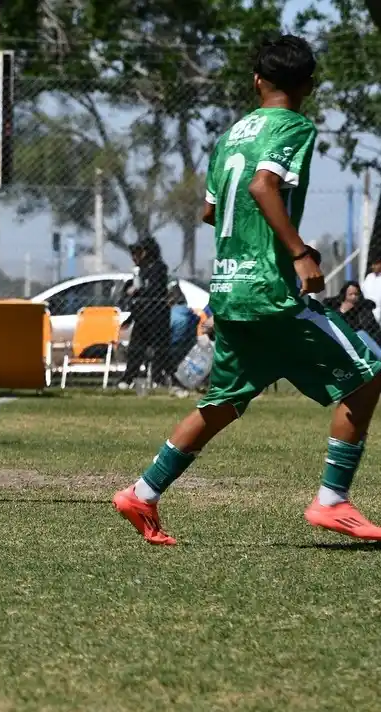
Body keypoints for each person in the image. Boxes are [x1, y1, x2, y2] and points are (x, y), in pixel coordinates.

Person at [113, 34, 381, 546]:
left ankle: (141, 494)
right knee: (369, 374)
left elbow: (211, 212)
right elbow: (262, 185)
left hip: (230, 290)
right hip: (269, 292)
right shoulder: (295, 125)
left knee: (223, 402)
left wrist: (256, 243)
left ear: (257, 81)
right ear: (309, 85)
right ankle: (332, 500)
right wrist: (297, 252)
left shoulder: (231, 135)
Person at [116, 237, 171, 390]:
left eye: (138, 253)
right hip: (141, 317)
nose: (134, 257)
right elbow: (132, 293)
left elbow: (154, 291)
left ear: (146, 252)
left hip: (157, 317)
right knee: (135, 349)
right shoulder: (140, 271)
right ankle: (128, 379)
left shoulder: (159, 269)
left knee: (159, 350)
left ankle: (157, 378)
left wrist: (139, 289)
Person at [324, 281, 381, 348]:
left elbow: (373, 330)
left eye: (356, 294)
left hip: (357, 339)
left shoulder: (363, 310)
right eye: (350, 294)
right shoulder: (334, 307)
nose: (353, 297)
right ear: (345, 294)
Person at [360, 254, 381, 324]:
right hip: (367, 311)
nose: (373, 267)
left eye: (376, 264)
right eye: (372, 264)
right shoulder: (369, 277)